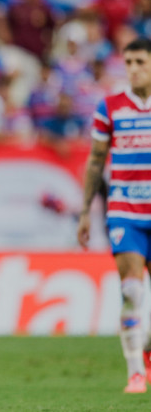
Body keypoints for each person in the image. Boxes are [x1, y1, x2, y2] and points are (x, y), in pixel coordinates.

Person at [78, 37, 151, 394]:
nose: (134, 69)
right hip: (124, 212)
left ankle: (146, 347)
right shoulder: (110, 107)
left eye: (141, 62)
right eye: (129, 63)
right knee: (131, 291)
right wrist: (84, 211)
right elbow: (95, 160)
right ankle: (136, 372)